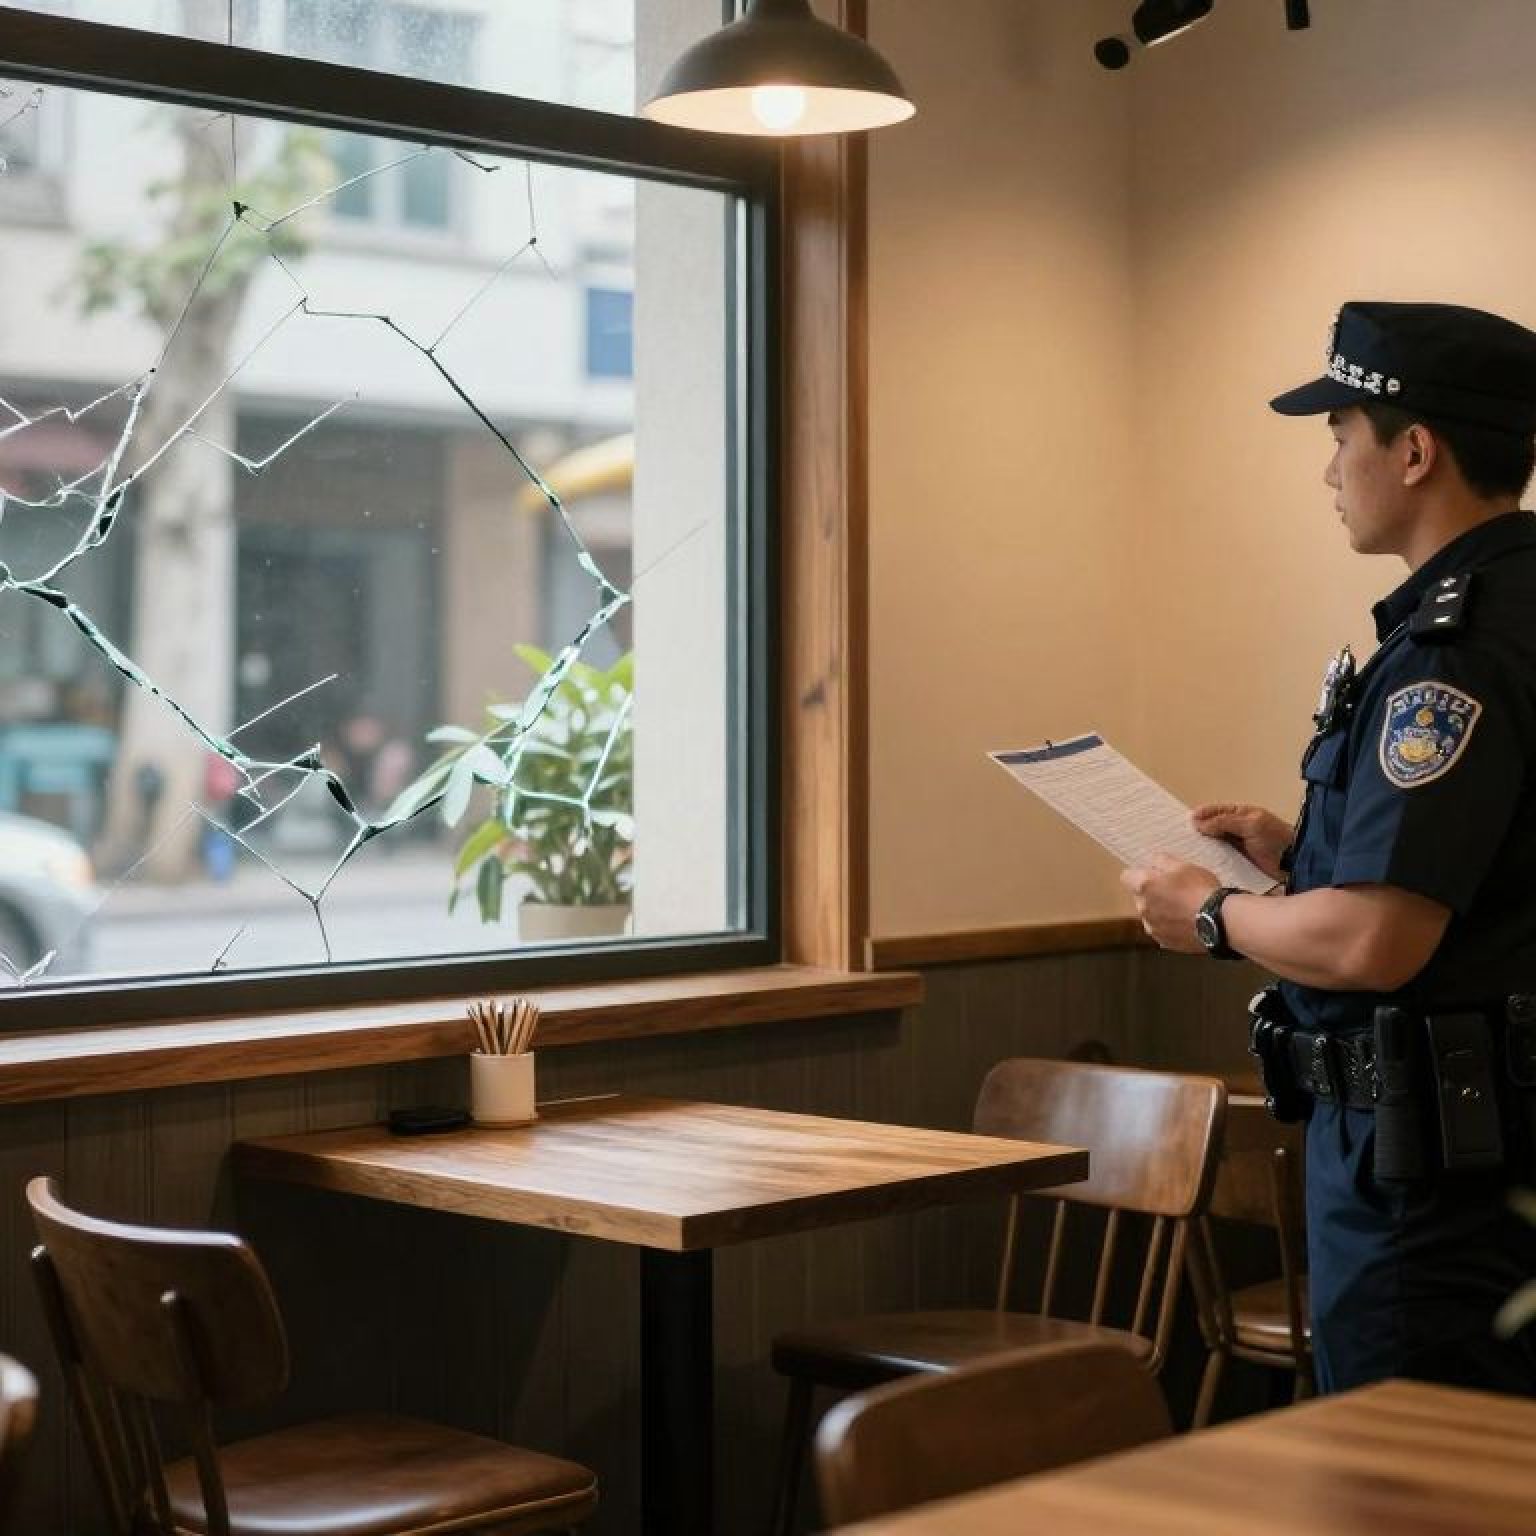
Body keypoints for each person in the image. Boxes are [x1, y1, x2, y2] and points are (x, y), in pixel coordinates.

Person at [1123, 300, 1536, 1395]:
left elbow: (1376, 943)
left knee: (1400, 1485)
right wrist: (1303, 854)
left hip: (1431, 1187)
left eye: (1341, 435)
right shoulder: (1514, 612)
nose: (1331, 470)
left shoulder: (1453, 652)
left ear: (1413, 449)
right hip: (1492, 1166)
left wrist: (1210, 914)